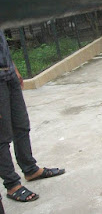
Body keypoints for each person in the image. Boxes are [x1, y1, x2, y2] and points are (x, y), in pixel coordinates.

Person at [0, 30, 65, 202]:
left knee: (21, 125)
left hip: (9, 75)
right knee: (2, 136)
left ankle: (30, 169)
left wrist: (13, 68)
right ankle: (12, 184)